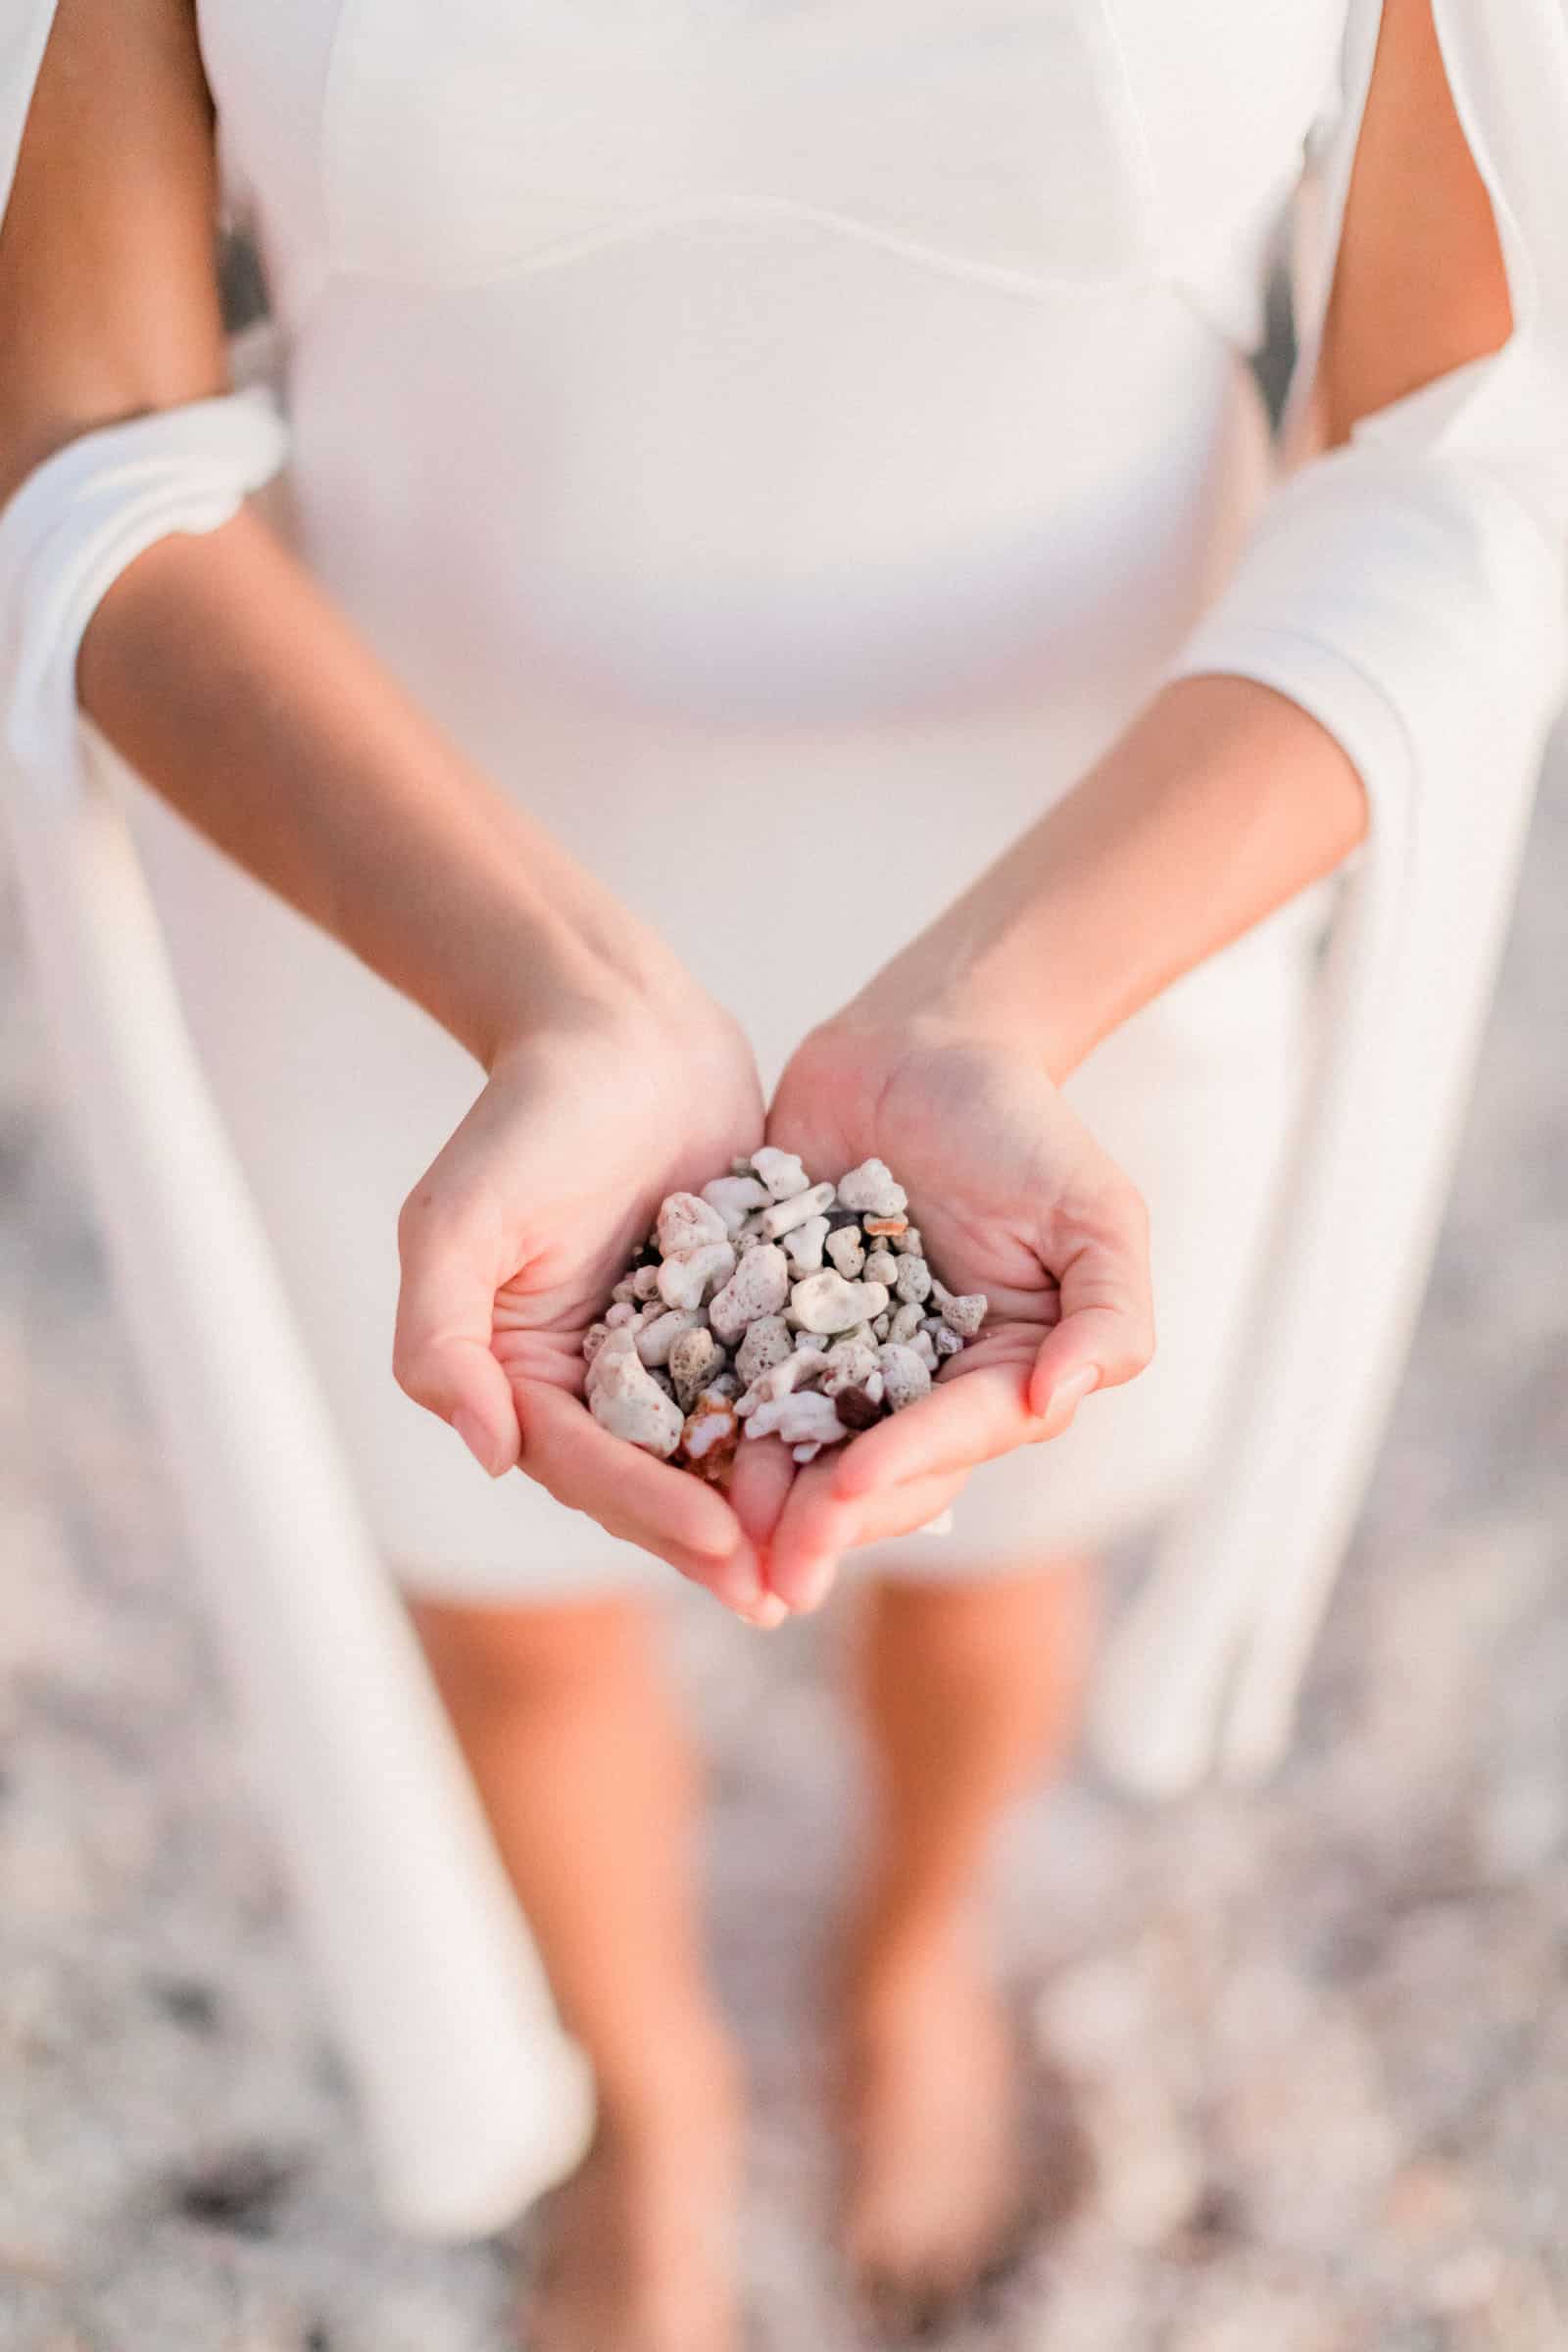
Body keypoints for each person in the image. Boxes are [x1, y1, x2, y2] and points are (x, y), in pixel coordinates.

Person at [2, 2, 1565, 2343]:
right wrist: (552, 995)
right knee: (505, 1621)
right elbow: (82, 428)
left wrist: (997, 1009)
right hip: (391, 874)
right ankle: (646, 2095)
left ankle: (912, 1947)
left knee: (988, 1575)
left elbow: (1467, 446)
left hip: (1106, 881)